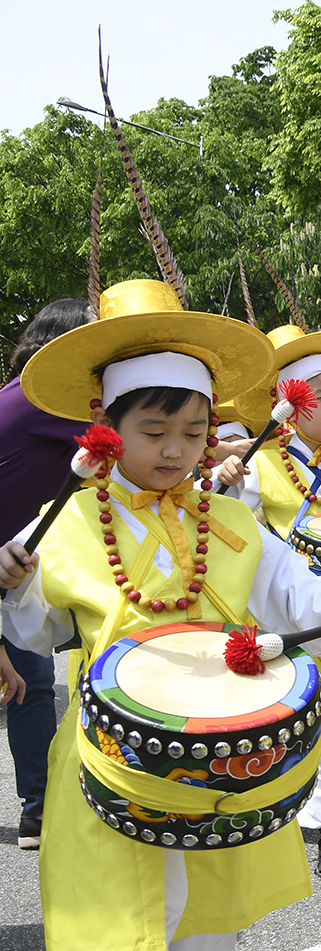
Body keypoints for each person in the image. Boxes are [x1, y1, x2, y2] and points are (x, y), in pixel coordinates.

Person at [0, 279, 321, 950]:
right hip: (108, 760)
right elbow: (38, 631)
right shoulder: (68, 520)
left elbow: (292, 585)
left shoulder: (230, 522)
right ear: (105, 428)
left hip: (212, 761)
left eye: (194, 432)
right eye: (154, 433)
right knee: (110, 924)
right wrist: (17, 581)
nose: (175, 450)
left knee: (204, 926)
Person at [216, 321, 321, 886]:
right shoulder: (262, 463)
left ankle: (296, 810)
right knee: (318, 719)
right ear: (289, 405)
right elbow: (234, 535)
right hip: (282, 611)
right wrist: (226, 482)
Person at [0, 297, 93, 850]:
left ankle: (39, 808)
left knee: (28, 683)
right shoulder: (40, 400)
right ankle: (40, 806)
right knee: (30, 683)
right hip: (9, 564)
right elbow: (128, 436)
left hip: (14, 563)